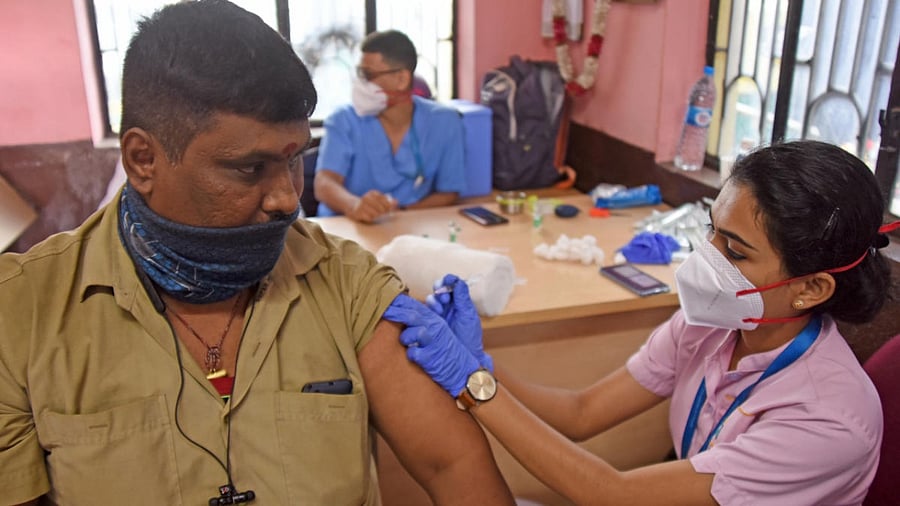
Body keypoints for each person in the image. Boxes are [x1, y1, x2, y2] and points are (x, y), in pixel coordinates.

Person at [0, 2, 514, 505]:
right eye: (250, 169)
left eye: (295, 161)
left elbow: (451, 464)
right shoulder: (23, 314)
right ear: (143, 159)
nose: (288, 200)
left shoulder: (345, 282)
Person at [385, 140, 899, 505]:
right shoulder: (713, 326)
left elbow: (611, 493)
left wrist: (473, 385)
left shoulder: (828, 420)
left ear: (811, 288)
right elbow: (581, 413)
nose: (707, 259)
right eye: (712, 232)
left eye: (735, 252)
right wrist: (481, 364)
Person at [313, 30, 466, 222]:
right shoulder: (343, 120)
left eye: (368, 74)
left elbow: (449, 192)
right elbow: (324, 183)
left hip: (409, 227)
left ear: (402, 79)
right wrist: (354, 205)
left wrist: (400, 215)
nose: (360, 83)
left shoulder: (444, 121)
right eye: (359, 73)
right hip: (345, 226)